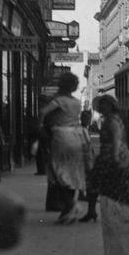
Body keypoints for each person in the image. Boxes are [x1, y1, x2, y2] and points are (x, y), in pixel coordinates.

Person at [81, 94, 129, 233]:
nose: (101, 107)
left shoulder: (112, 121)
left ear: (111, 106)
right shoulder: (110, 119)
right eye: (101, 105)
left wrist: (115, 158)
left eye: (104, 105)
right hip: (110, 155)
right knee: (95, 182)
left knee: (123, 187)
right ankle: (92, 211)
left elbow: (116, 139)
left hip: (112, 156)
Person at [40, 72, 88, 224]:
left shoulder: (59, 100)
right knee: (72, 173)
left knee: (57, 174)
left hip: (61, 137)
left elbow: (43, 112)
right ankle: (66, 212)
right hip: (75, 137)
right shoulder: (76, 102)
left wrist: (41, 124)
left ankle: (72, 205)